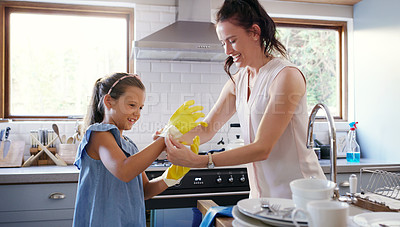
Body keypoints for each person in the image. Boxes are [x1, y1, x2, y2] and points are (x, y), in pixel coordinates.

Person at [164, 0, 326, 199]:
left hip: (301, 197)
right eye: (223, 43)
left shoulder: (285, 76)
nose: (227, 51)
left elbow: (262, 148)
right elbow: (207, 129)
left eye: (232, 40)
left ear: (255, 33)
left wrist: (199, 161)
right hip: (261, 200)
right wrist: (168, 139)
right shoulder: (238, 81)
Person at [73, 73, 202, 226]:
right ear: (109, 101)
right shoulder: (99, 134)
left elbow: (145, 190)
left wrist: (170, 177)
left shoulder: (129, 145)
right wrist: (165, 136)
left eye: (140, 107)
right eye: (132, 105)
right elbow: (124, 171)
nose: (137, 113)